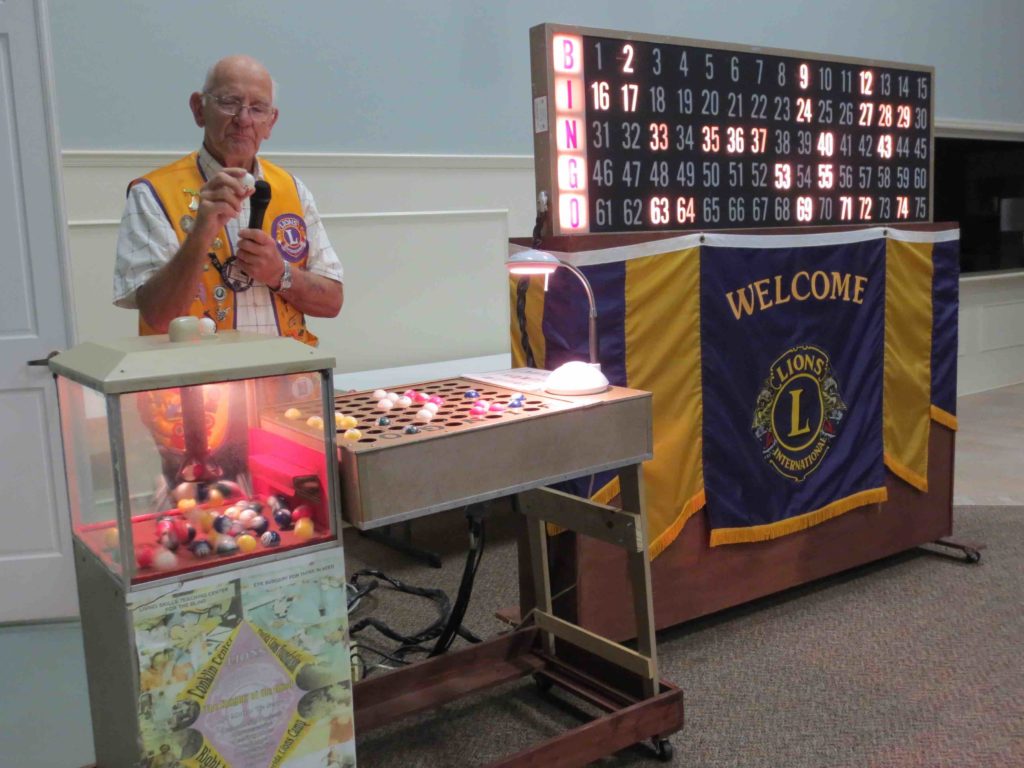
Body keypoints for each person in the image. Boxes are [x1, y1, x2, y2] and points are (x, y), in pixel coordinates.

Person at [113, 55, 343, 346]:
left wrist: (279, 273)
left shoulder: (293, 190)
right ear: (199, 109)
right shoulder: (152, 193)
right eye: (229, 102)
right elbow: (158, 318)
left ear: (271, 122)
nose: (243, 120)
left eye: (258, 108)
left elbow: (332, 302)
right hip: (200, 382)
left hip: (289, 378)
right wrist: (201, 234)